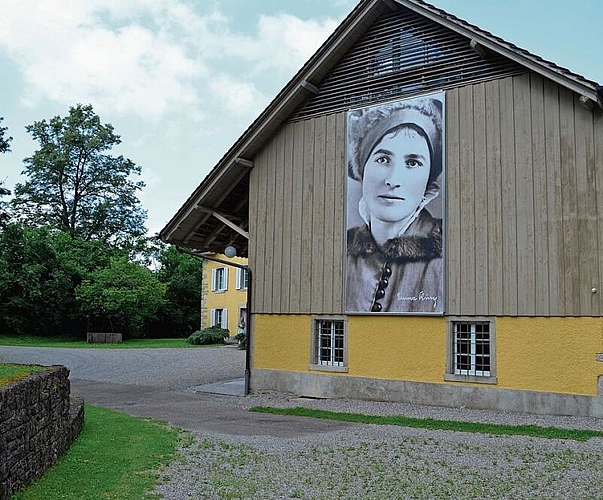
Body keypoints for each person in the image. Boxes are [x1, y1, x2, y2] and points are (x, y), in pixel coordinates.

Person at [346, 96, 443, 313]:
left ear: (429, 180)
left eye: (412, 163)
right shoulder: (345, 249)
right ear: (363, 169)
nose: (393, 179)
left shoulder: (451, 250)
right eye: (383, 159)